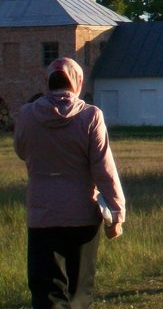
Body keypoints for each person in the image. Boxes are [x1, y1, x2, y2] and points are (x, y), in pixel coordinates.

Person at [14, 57, 126, 309]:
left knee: (46, 290)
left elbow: (21, 150)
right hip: (83, 213)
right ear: (77, 82)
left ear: (48, 83)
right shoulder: (90, 116)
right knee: (79, 291)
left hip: (42, 212)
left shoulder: (27, 115)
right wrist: (117, 212)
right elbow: (103, 168)